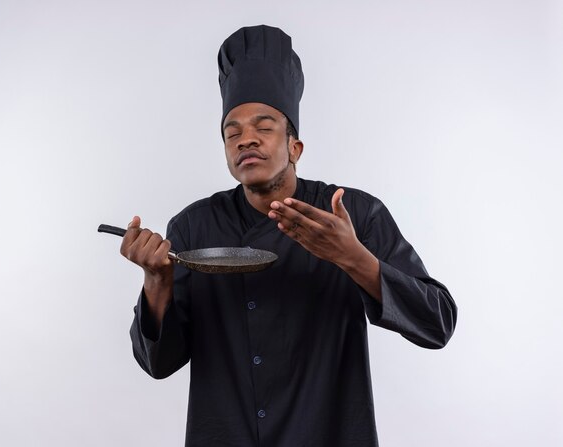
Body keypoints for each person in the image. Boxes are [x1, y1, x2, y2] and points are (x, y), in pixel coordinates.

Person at [120, 25, 457, 447]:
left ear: (295, 147)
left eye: (264, 127)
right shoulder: (193, 227)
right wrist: (157, 283)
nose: (247, 140)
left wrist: (353, 257)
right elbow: (159, 364)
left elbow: (437, 323)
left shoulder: (352, 212)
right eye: (232, 132)